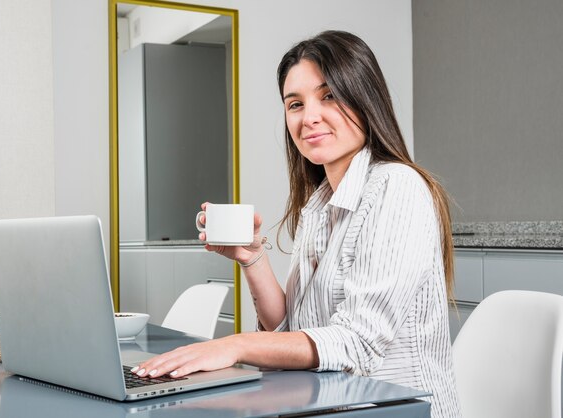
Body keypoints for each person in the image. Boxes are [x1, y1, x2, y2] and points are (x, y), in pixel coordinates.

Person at [131, 30, 461, 418]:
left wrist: (234, 344)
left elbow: (355, 344)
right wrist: (252, 257)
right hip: (329, 404)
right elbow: (292, 330)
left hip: (396, 410)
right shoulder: (320, 203)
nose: (310, 117)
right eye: (295, 104)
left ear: (364, 98)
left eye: (329, 96)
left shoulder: (397, 186)